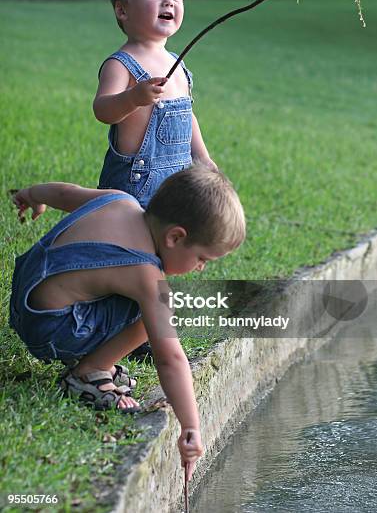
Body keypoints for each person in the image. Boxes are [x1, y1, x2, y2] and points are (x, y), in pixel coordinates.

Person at [9, 164, 245, 479]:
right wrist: (191, 426)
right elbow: (170, 358)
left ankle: (95, 359)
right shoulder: (145, 275)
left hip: (24, 299)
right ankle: (88, 373)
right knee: (160, 305)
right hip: (50, 330)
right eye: (202, 259)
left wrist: (31, 194)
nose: (201, 268)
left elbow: (64, 194)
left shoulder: (120, 200)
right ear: (175, 237)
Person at [94, 0, 216, 210]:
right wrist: (132, 98)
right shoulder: (121, 64)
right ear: (122, 10)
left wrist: (201, 156)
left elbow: (186, 115)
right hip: (134, 186)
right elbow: (103, 110)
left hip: (178, 183)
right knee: (128, 244)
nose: (168, 2)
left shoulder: (177, 63)